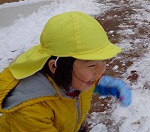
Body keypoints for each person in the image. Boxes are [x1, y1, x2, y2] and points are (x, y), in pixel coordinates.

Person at [0, 11, 131, 131]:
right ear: (54, 67)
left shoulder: (72, 78)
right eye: (92, 65)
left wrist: (98, 83)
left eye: (103, 61)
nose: (100, 71)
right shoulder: (31, 112)